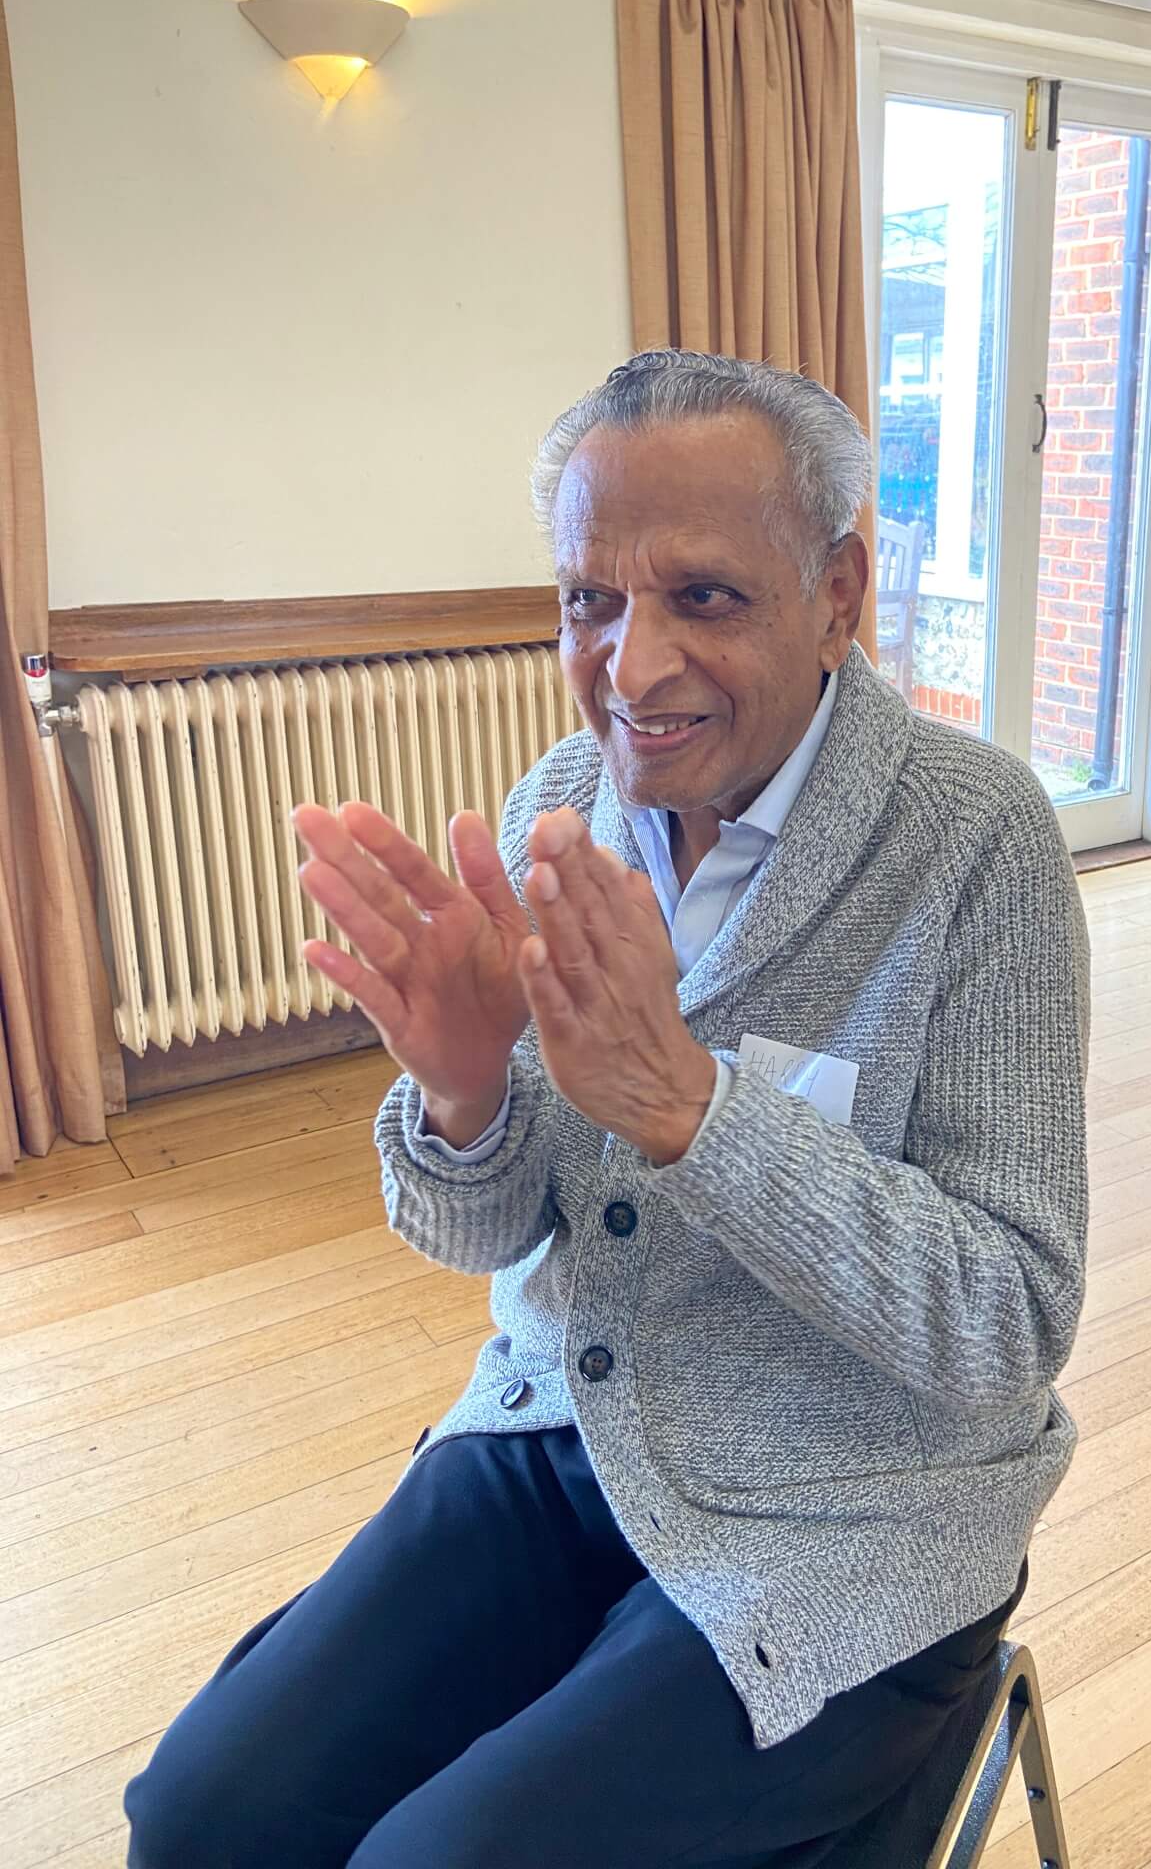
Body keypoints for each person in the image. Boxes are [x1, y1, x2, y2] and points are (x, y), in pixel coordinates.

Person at [124, 350, 1090, 1868]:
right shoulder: (562, 805)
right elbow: (491, 1235)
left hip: (858, 1507)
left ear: (836, 592)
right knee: (203, 1816)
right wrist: (462, 1098)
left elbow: (1011, 1322)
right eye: (590, 600)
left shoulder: (975, 845)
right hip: (567, 1426)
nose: (630, 670)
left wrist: (694, 1109)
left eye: (703, 595)